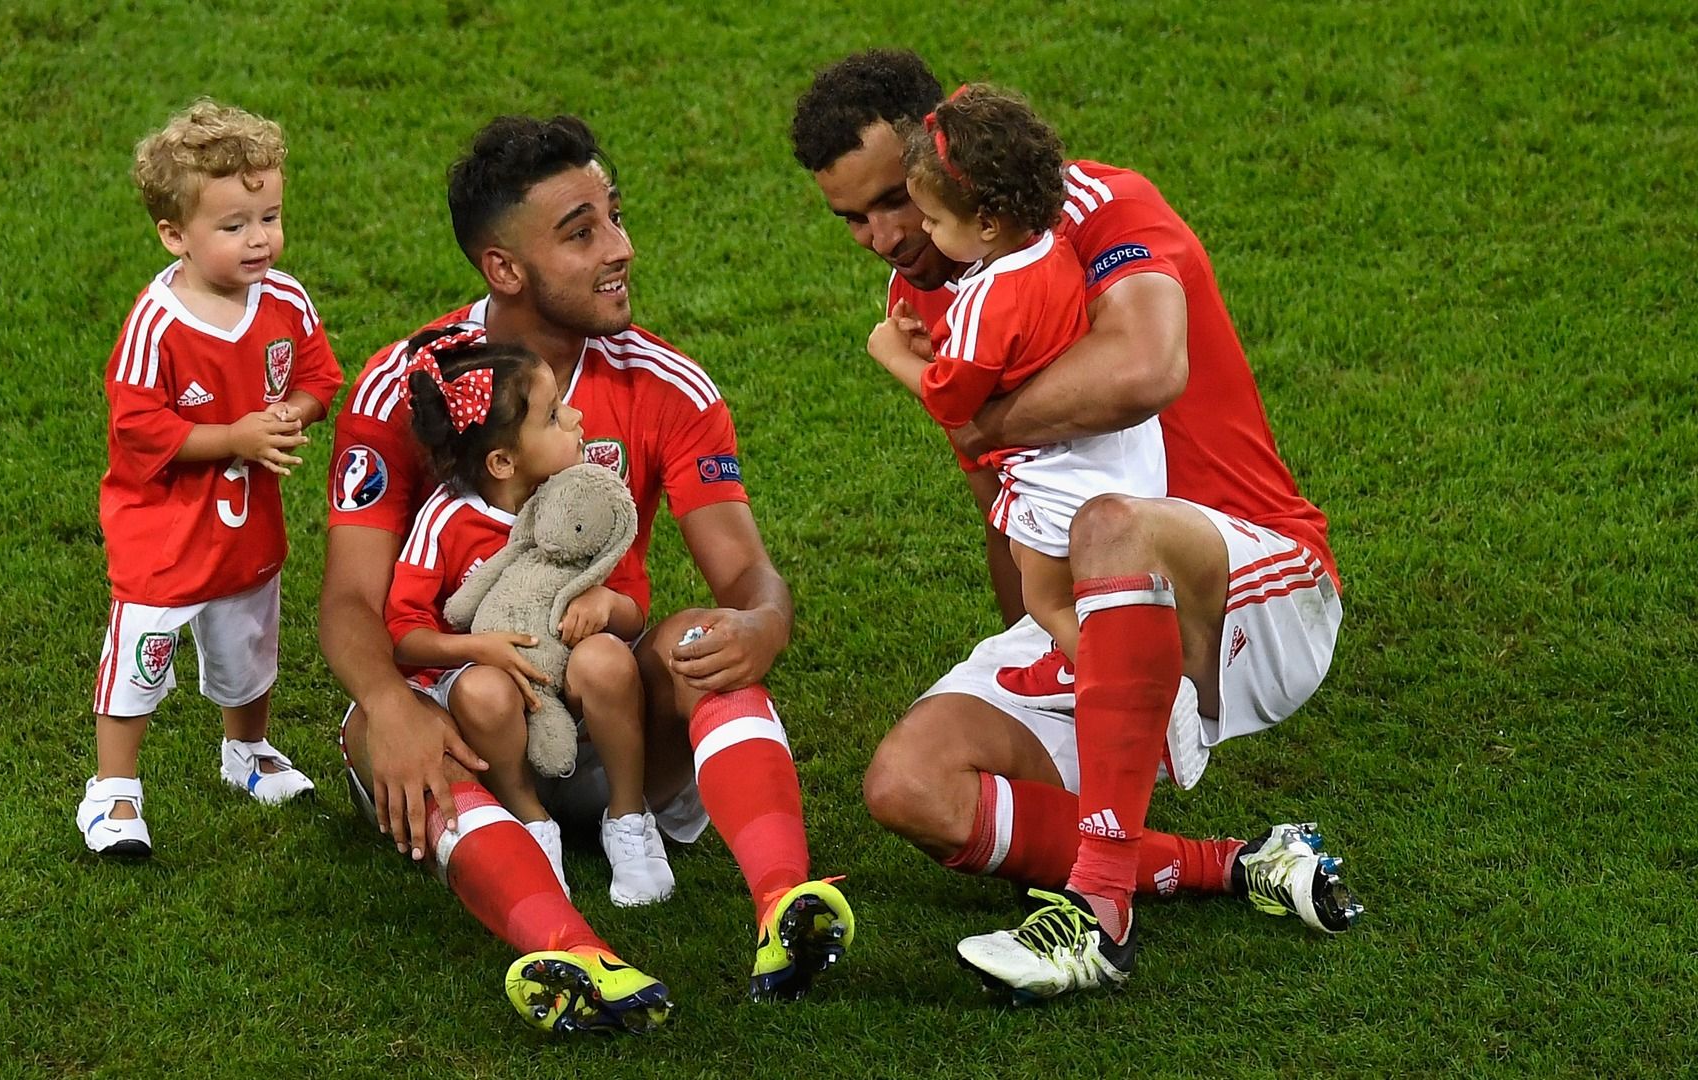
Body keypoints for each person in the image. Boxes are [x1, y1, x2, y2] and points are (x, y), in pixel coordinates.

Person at [794, 51, 1361, 999]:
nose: (884, 236)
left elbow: (1146, 370)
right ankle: (1239, 860)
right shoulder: (933, 291)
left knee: (1107, 524)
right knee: (909, 785)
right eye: (850, 217)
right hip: (1088, 597)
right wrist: (1038, 631)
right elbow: (1005, 497)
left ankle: (1099, 916)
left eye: (897, 198)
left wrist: (968, 414)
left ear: (942, 149)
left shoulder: (1101, 208)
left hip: (1252, 585)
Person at [318, 114, 853, 1029]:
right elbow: (352, 602)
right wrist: (397, 707)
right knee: (375, 723)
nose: (621, 247)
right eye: (582, 232)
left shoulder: (665, 384)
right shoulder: (409, 387)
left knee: (698, 638)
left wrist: (761, 625)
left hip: (613, 723)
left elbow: (748, 580)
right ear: (504, 269)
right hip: (466, 724)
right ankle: (575, 959)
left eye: (615, 216)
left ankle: (785, 904)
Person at [81, 99, 342, 858]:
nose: (259, 238)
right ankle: (114, 794)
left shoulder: (285, 300)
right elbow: (136, 426)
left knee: (249, 647)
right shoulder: (157, 323)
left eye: (270, 216)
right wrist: (233, 434)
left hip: (246, 526)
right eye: (234, 227)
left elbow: (321, 376)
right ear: (175, 235)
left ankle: (247, 753)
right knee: (141, 656)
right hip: (164, 533)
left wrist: (291, 411)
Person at [865, 82, 1164, 671]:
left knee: (1049, 599)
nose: (923, 231)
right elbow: (1014, 350)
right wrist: (940, 346)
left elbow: (953, 402)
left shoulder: (984, 293)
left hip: (1057, 479)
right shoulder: (1053, 250)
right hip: (1123, 459)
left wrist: (895, 354)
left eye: (933, 218)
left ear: (985, 224)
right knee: (1112, 596)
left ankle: (1127, 684)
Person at [383, 328, 674, 907]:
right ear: (501, 460)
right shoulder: (447, 520)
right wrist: (478, 648)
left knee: (608, 660)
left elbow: (634, 607)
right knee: (486, 691)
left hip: (567, 680)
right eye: (554, 415)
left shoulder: (585, 499)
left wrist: (605, 605)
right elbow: (404, 635)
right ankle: (531, 823)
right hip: (487, 692)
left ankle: (628, 818)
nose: (576, 417)